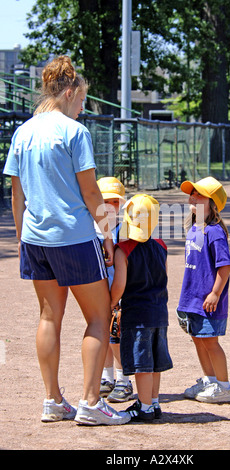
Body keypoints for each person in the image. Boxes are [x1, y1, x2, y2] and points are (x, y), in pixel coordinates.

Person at [3, 56, 130, 426]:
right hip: (73, 237)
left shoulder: (23, 131)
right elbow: (92, 193)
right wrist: (108, 234)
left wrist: (22, 238)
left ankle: (52, 401)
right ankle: (91, 402)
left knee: (49, 317)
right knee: (99, 315)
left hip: (35, 239)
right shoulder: (74, 132)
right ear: (71, 91)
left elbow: (17, 195)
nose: (83, 107)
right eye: (82, 100)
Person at [110, 194, 173, 421]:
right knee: (154, 362)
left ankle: (144, 406)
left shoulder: (123, 249)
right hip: (159, 311)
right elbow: (164, 275)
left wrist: (111, 303)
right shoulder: (161, 244)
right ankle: (153, 403)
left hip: (137, 314)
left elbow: (119, 285)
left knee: (142, 364)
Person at [177, 176, 230, 403]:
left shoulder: (214, 231)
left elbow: (225, 265)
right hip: (192, 297)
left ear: (212, 203)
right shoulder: (193, 228)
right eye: (193, 193)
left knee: (210, 341)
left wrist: (215, 293)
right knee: (198, 338)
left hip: (208, 298)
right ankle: (210, 380)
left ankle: (224, 386)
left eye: (200, 194)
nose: (193, 197)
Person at [95, 176, 134, 403]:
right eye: (105, 201)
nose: (110, 207)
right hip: (97, 294)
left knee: (117, 339)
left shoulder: (125, 230)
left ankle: (124, 380)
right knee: (102, 336)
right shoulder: (90, 231)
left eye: (115, 202)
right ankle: (107, 377)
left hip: (118, 295)